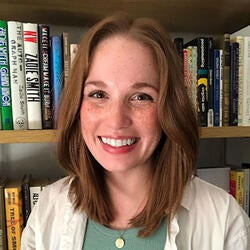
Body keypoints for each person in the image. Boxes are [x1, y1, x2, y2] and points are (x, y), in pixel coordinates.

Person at [21, 13, 249, 250]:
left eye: (141, 97)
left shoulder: (224, 218)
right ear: (77, 107)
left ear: (169, 109)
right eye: (98, 94)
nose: (117, 120)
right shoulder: (47, 209)